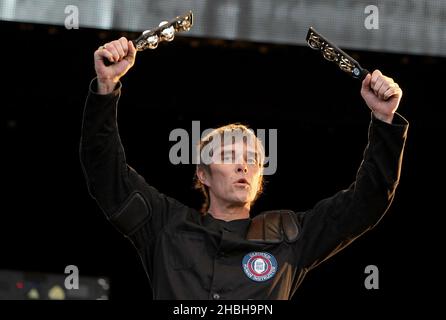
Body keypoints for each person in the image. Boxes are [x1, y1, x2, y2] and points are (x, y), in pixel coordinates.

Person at [80, 37, 408, 300]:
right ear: (202, 174)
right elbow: (104, 172)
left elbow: (368, 200)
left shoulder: (291, 236)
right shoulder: (165, 225)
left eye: (251, 158)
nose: (243, 164)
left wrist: (384, 120)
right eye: (228, 155)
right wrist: (106, 87)